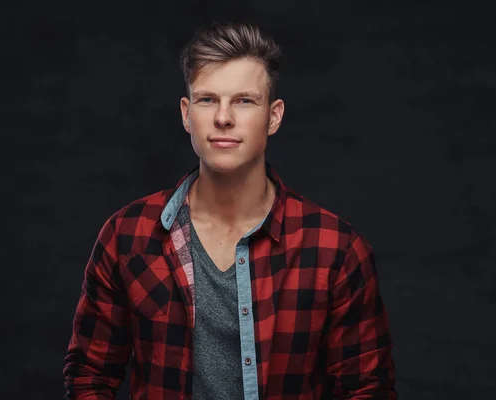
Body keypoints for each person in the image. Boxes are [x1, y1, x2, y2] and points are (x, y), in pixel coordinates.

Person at [63, 21, 397, 399]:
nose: (224, 117)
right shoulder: (128, 235)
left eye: (244, 100)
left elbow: (366, 389)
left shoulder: (335, 249)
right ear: (187, 114)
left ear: (274, 116)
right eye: (208, 100)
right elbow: (90, 375)